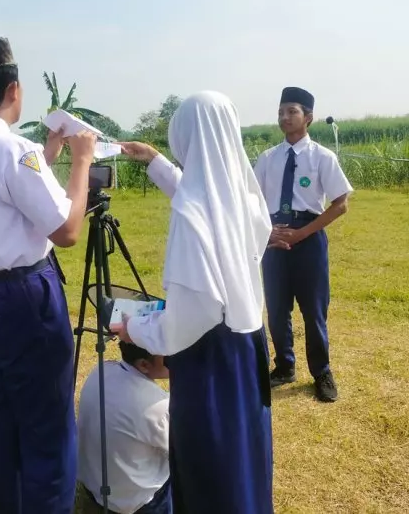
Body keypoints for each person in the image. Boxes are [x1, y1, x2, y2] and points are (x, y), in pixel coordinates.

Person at [0, 37, 96, 513]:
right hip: (27, 295)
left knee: (7, 411)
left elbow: (7, 200)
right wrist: (83, 160)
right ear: (13, 89)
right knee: (49, 421)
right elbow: (68, 229)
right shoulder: (14, 150)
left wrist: (46, 155)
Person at [113, 91, 274, 514]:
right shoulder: (245, 200)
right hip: (246, 345)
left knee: (211, 468)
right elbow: (205, 196)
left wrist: (135, 328)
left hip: (208, 361)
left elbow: (185, 322)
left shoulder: (191, 216)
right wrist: (155, 163)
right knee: (244, 457)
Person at [253, 87, 353, 403]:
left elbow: (340, 204)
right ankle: (283, 367)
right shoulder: (268, 159)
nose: (285, 117)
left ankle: (321, 372)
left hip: (307, 239)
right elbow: (251, 202)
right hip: (273, 237)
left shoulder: (322, 157)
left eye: (292, 111)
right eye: (281, 111)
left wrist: (303, 233)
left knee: (314, 310)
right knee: (277, 308)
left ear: (307, 117)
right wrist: (266, 233)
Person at [77, 342, 171, 514]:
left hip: (94, 489)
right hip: (136, 503)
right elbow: (186, 450)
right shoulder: (156, 405)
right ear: (144, 364)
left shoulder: (101, 370)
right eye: (170, 357)